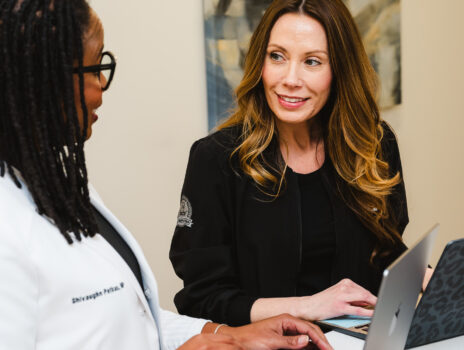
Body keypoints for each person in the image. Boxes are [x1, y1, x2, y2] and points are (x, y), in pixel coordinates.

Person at [0, 1, 332, 349]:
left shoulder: (56, 184)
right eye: (95, 66)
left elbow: (138, 319)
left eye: (312, 61)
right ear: (43, 80)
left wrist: (229, 335)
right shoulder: (8, 227)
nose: (102, 86)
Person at [170, 0, 410, 327]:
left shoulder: (375, 146)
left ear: (339, 70)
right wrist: (307, 306)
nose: (290, 79)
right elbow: (201, 299)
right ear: (260, 62)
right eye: (277, 57)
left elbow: (386, 254)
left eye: (312, 61)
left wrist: (423, 276)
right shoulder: (215, 160)